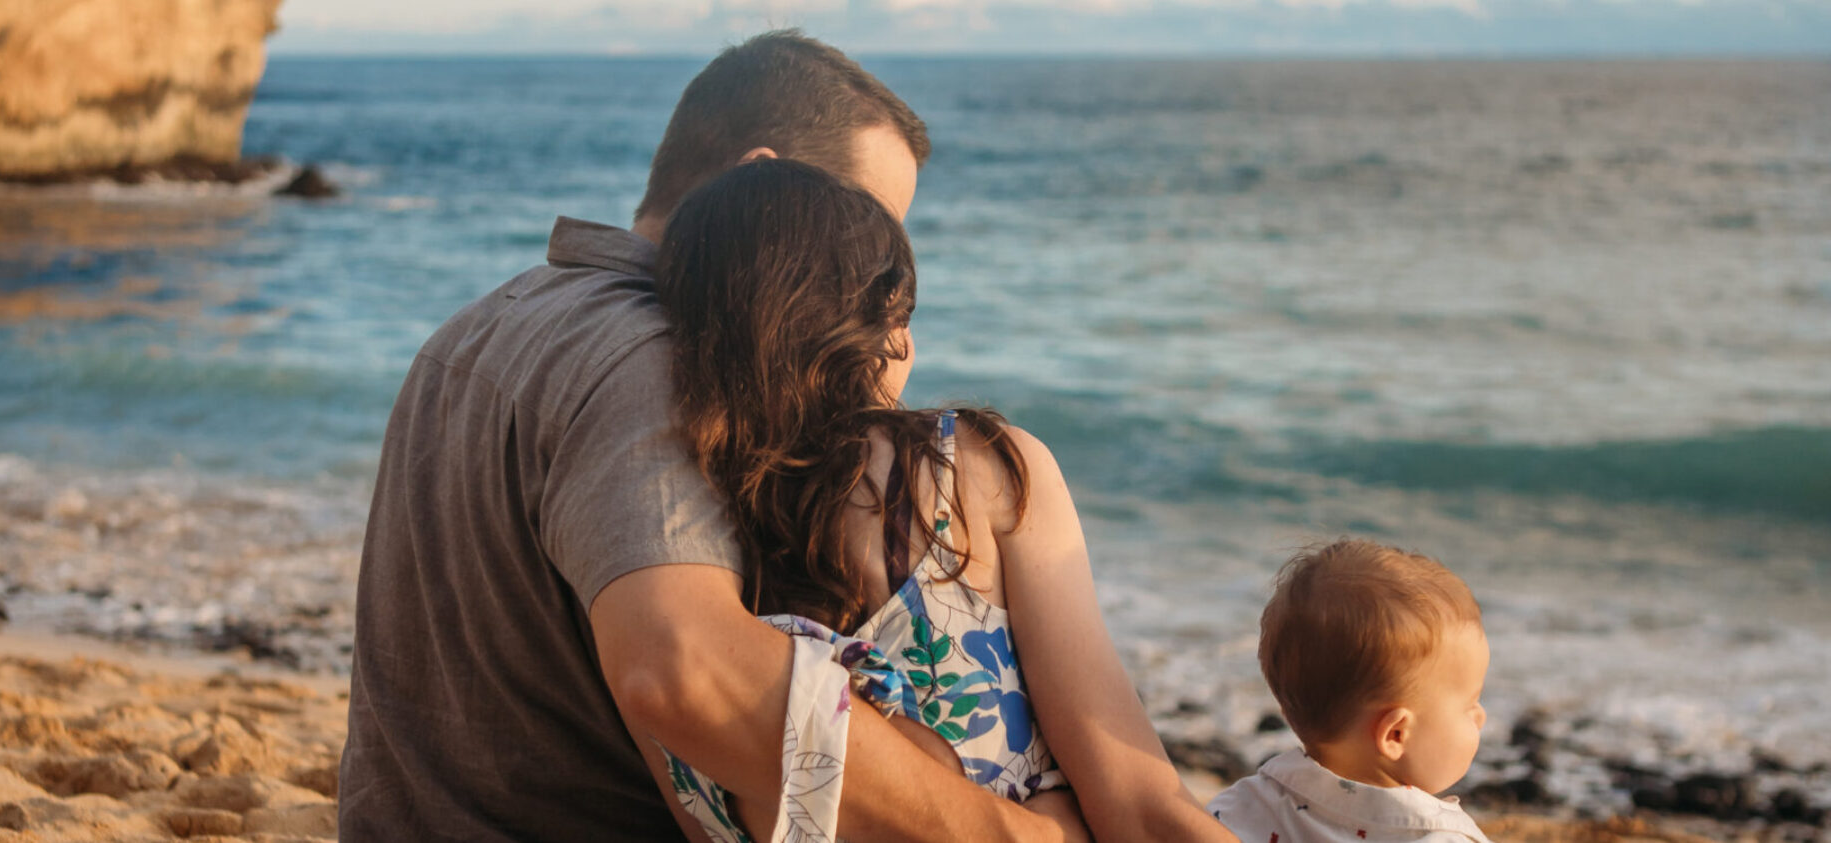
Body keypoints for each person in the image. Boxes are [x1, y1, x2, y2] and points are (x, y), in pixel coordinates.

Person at [339, 30, 1082, 841]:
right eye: (859, 221)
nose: (870, 278)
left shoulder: (484, 322)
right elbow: (681, 666)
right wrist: (1018, 834)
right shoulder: (651, 357)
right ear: (761, 182)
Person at [647, 158, 1238, 843]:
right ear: (881, 328)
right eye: (902, 315)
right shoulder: (972, 471)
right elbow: (1137, 801)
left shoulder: (666, 577)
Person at [1208, 539, 1492, 843]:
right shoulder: (1438, 837)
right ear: (1395, 734)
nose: (1481, 717)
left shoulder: (1238, 809)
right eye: (1469, 704)